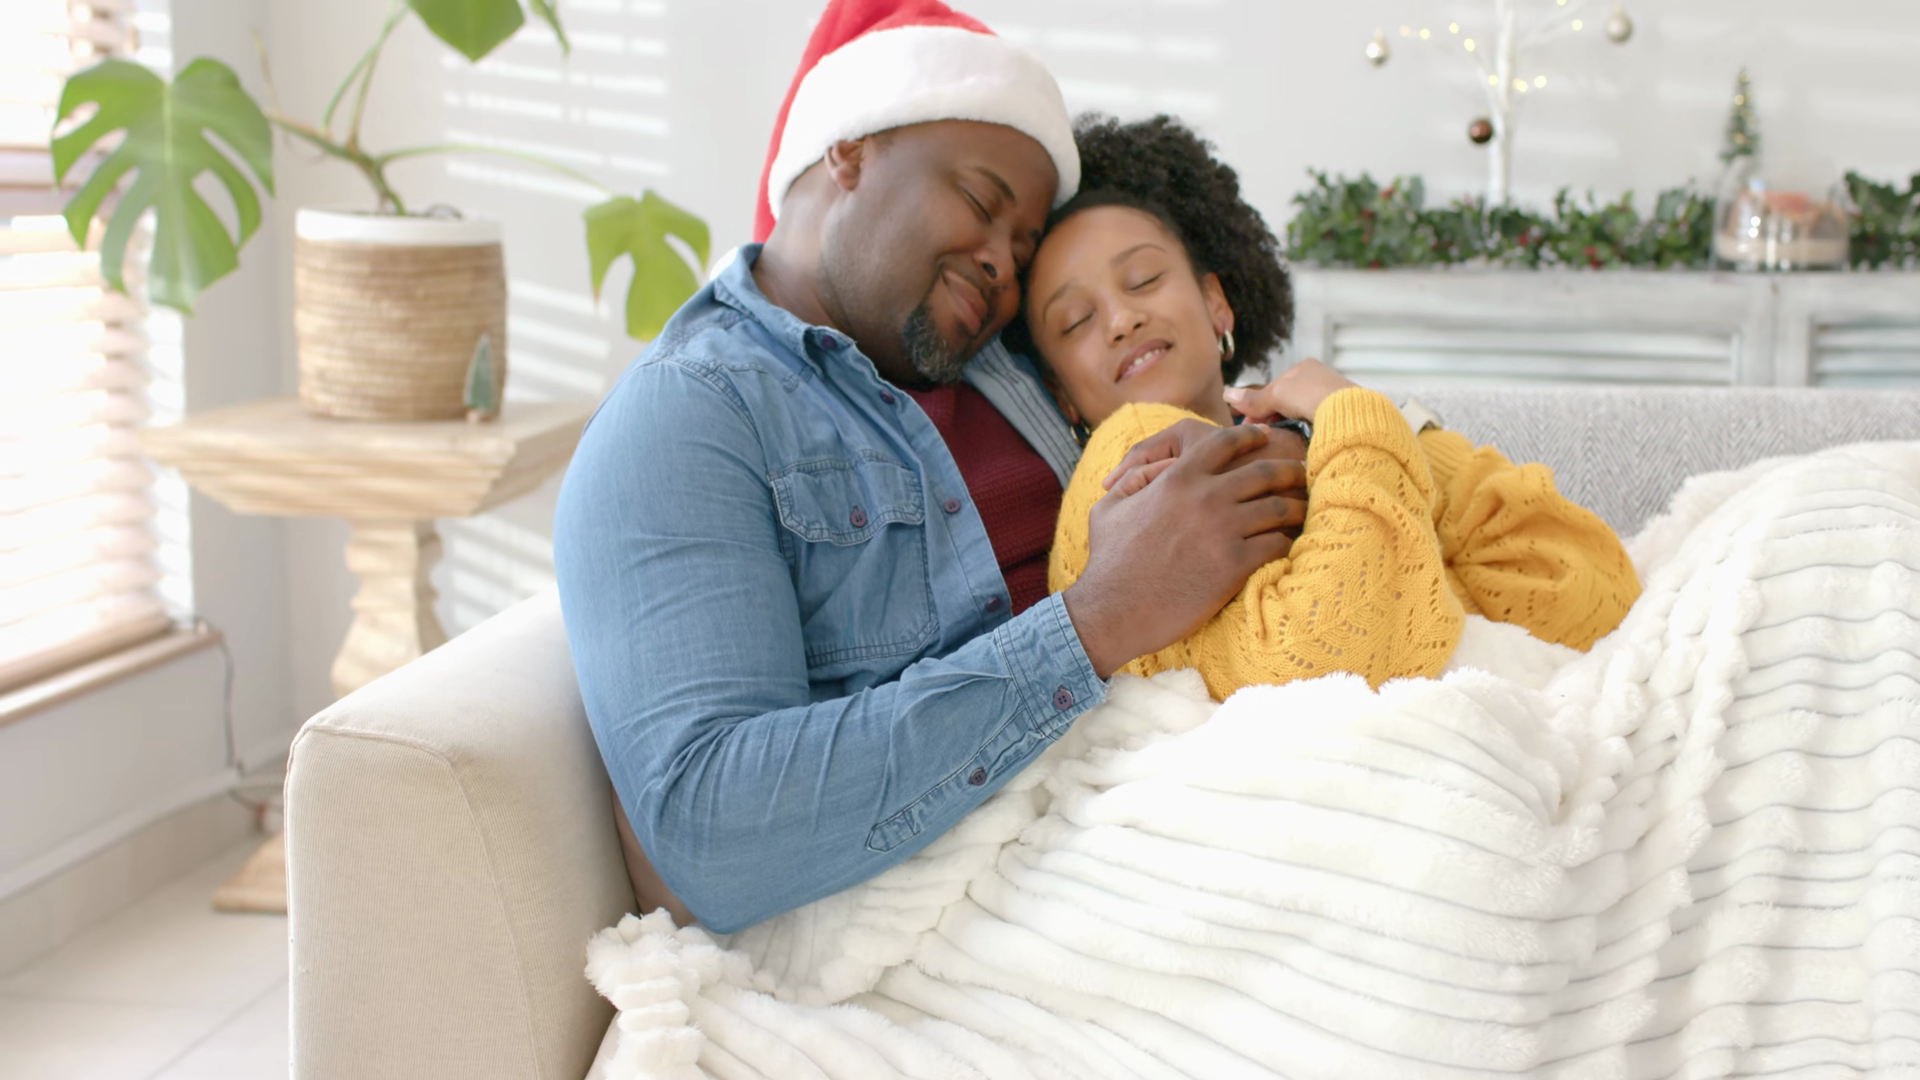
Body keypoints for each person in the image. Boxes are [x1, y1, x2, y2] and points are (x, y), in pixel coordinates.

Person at [554, 1, 1311, 934]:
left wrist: (1294, 435)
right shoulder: (691, 415)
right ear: (849, 152)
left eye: (1022, 248)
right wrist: (1100, 619)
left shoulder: (998, 357)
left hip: (1193, 751)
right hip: (1000, 894)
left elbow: (1178, 385)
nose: (1002, 266)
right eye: (984, 205)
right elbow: (715, 834)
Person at [1011, 115, 1643, 702]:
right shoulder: (1125, 463)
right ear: (1062, 394)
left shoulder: (1332, 437)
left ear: (1217, 304)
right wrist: (1358, 422)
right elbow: (1334, 660)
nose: (1122, 318)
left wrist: (1365, 435)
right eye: (1076, 320)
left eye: (1145, 280)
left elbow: (1594, 597)